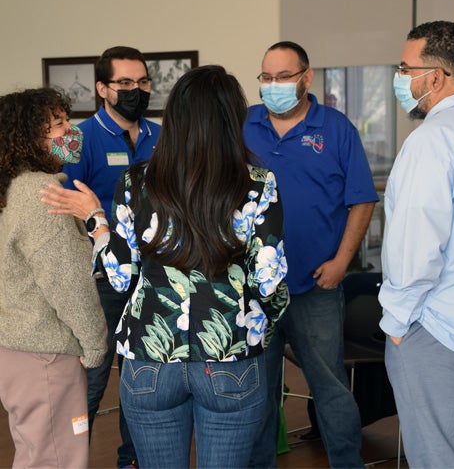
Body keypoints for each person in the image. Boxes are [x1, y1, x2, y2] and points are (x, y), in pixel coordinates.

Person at [41, 64, 290, 469]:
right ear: (234, 119)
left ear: (173, 117)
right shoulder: (259, 184)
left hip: (149, 356)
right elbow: (269, 280)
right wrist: (263, 323)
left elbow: (120, 277)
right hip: (229, 352)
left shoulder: (135, 181)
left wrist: (96, 222)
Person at [244, 41, 378, 468]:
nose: (274, 85)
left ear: (307, 77)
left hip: (316, 285)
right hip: (255, 290)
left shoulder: (336, 128)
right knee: (259, 392)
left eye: (284, 77)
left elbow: (362, 200)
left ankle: (347, 463)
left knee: (330, 386)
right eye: (266, 78)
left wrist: (341, 263)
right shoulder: (243, 125)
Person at [379, 20, 454, 467]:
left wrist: (396, 323)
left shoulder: (432, 141)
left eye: (404, 67)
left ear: (434, 77)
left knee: (439, 458)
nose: (399, 78)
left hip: (437, 328)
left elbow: (415, 246)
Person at [62, 45, 161, 469]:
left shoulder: (163, 135)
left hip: (154, 282)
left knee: (144, 384)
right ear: (102, 88)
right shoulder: (74, 138)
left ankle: (132, 461)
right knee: (89, 382)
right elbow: (59, 208)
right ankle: (66, 460)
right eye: (124, 83)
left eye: (142, 82)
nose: (136, 90)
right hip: (101, 283)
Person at [0, 87, 107, 467]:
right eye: (57, 124)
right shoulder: (42, 193)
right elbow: (66, 281)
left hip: (16, 349)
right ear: (28, 136)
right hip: (46, 352)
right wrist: (95, 344)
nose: (70, 131)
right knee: (58, 458)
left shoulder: (12, 188)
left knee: (36, 453)